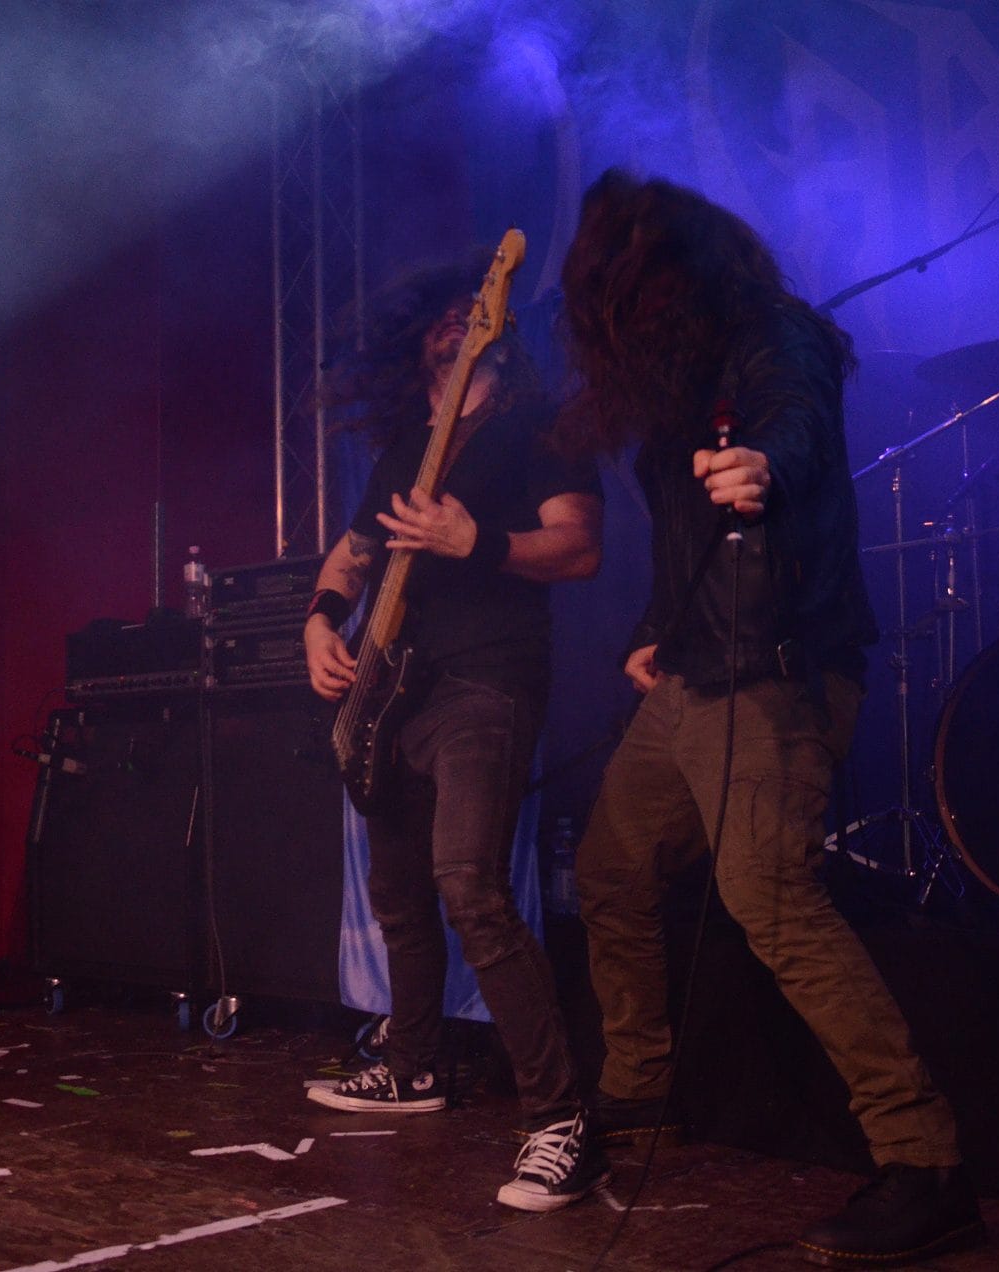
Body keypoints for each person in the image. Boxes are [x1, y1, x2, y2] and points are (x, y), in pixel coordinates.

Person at [556, 170, 981, 1267]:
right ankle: (638, 1093)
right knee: (610, 871)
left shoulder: (774, 334)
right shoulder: (683, 377)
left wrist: (762, 465)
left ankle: (925, 1163)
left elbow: (791, 424)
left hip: (777, 678)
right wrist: (655, 627)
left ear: (670, 276)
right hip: (696, 673)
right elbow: (688, 538)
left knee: (771, 898)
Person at [301, 258, 607, 1211]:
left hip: (488, 679)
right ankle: (413, 1068)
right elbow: (353, 551)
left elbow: (580, 547)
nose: (455, 318)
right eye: (439, 310)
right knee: (398, 895)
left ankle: (561, 1119)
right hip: (396, 687)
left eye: (469, 308)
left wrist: (482, 542)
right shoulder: (407, 445)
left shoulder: (540, 427)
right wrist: (319, 621)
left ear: (498, 328)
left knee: (469, 884)